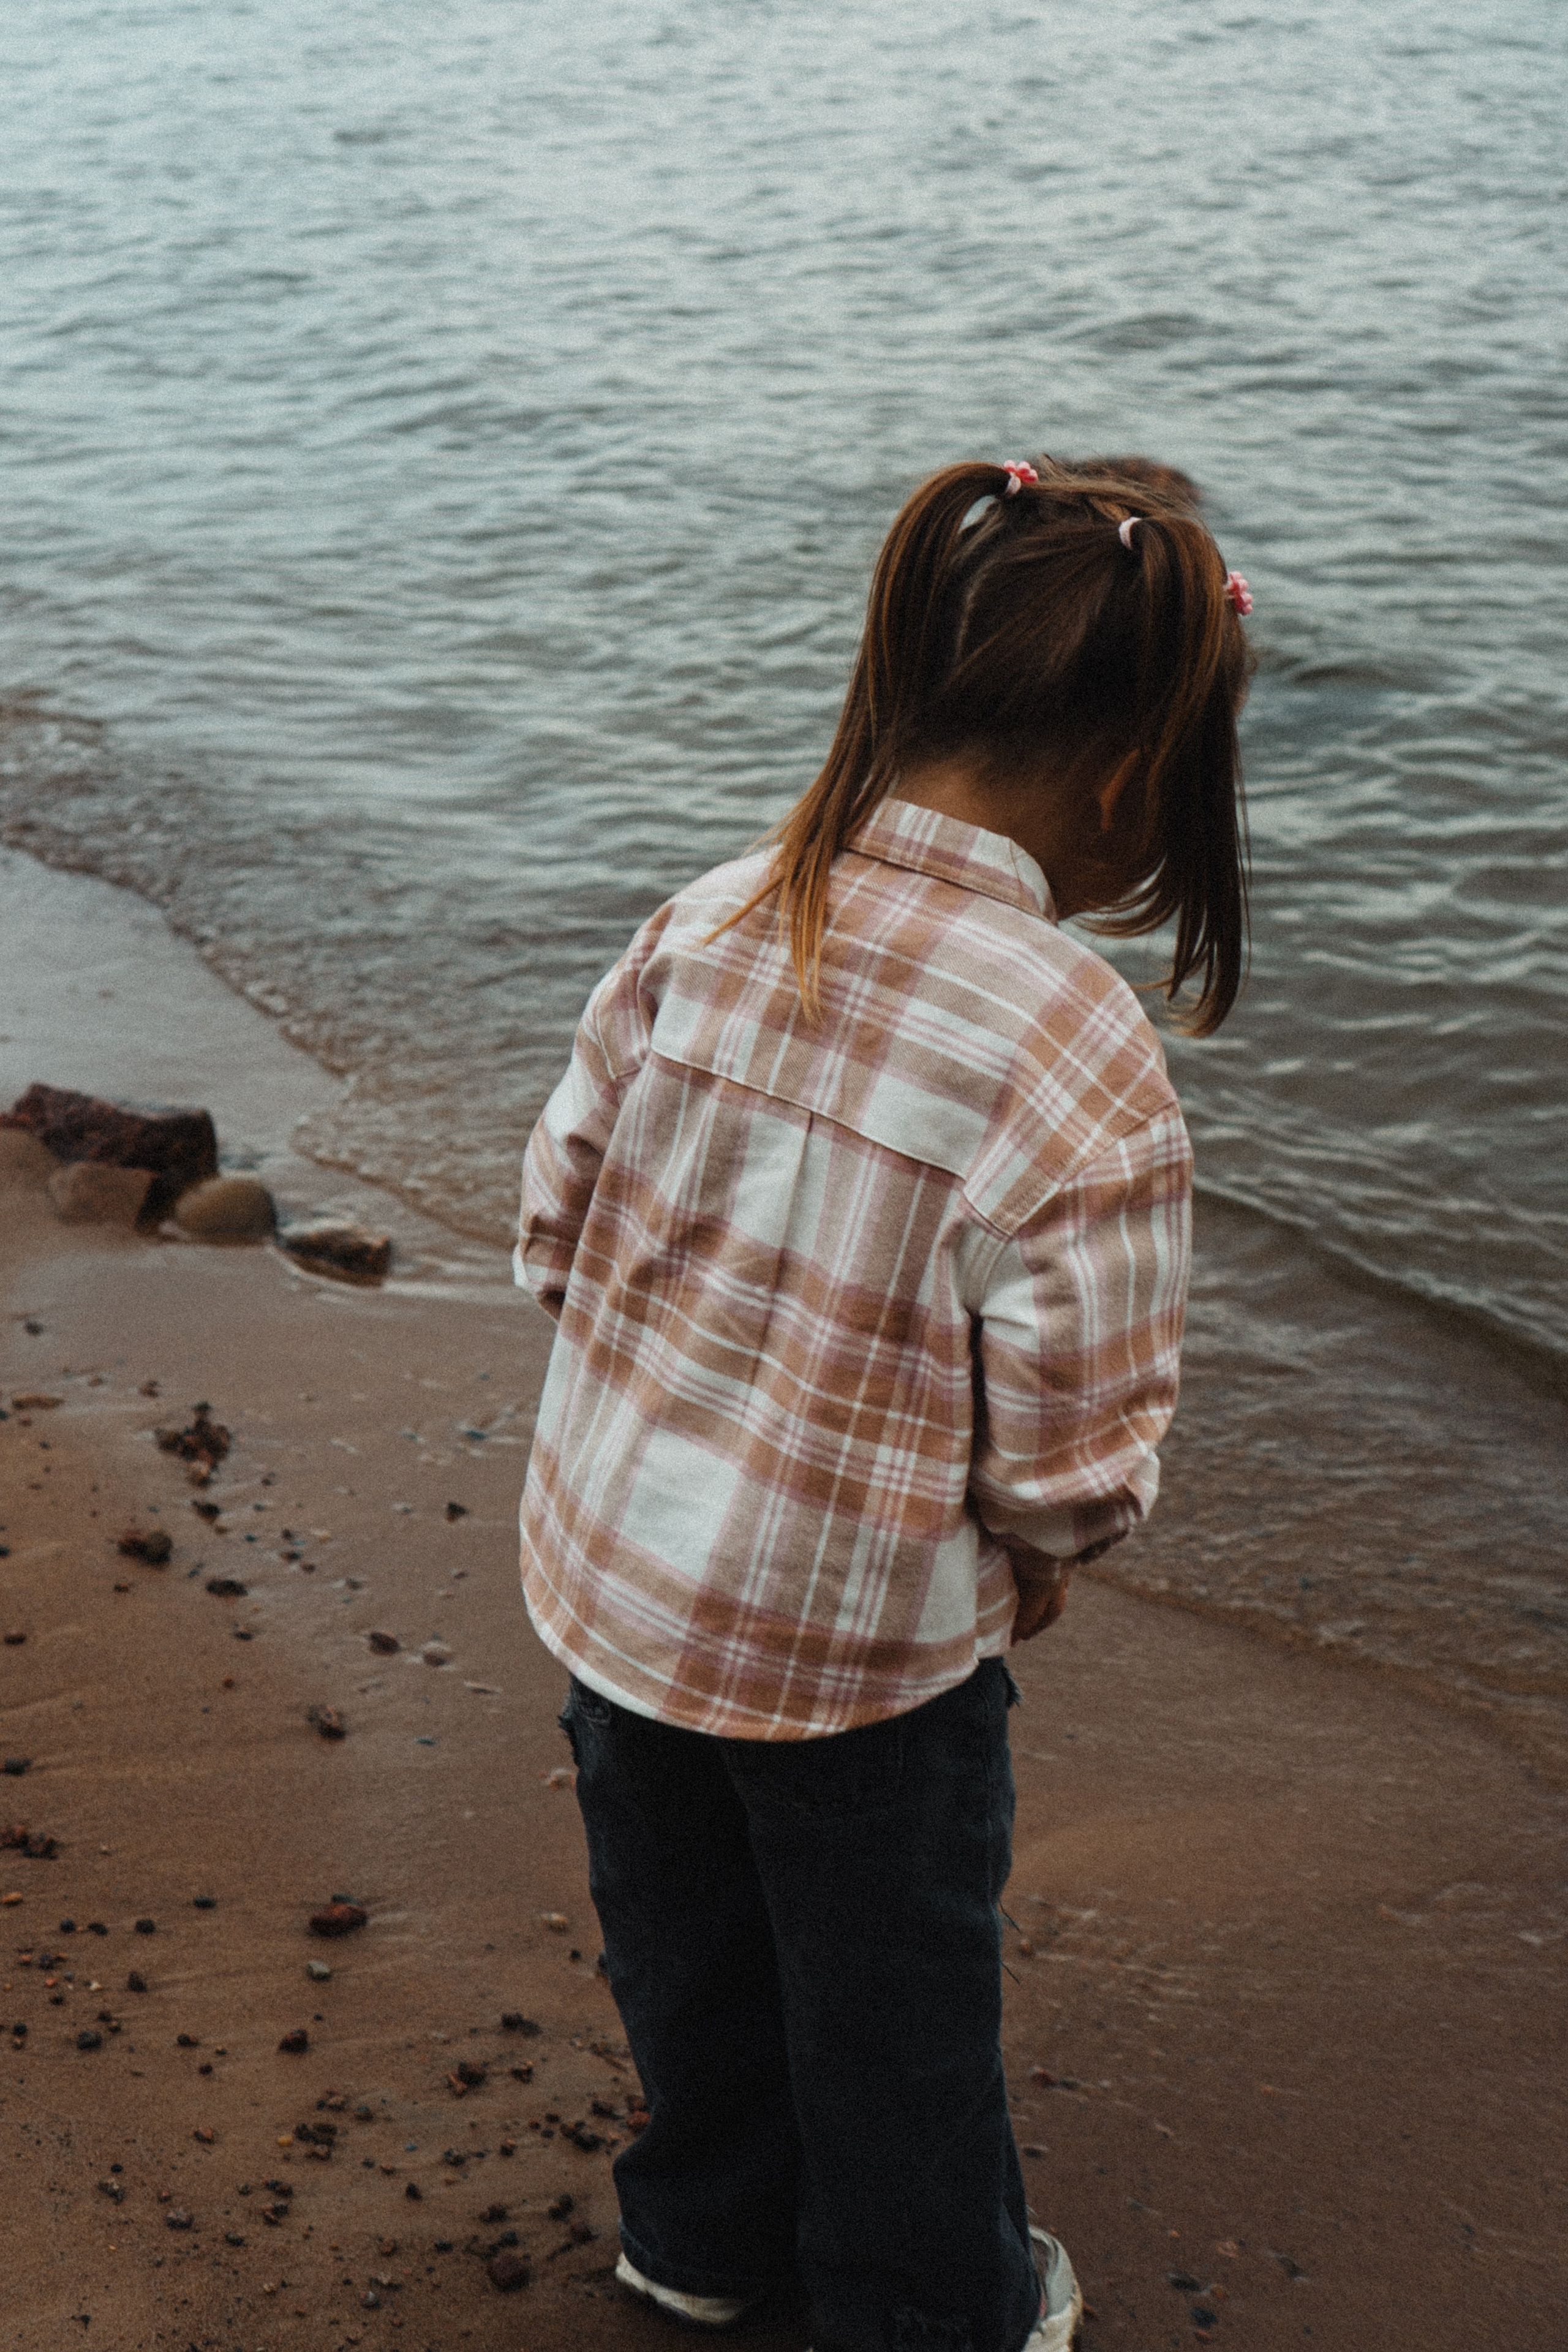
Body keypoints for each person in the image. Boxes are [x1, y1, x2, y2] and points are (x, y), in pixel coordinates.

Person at [514, 453, 1253, 2352]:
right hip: (859, 1659)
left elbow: (553, 1228)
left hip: (615, 1589)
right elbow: (1073, 1451)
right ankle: (929, 2310)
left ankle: (700, 2239)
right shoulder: (1073, 1042)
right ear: (1129, 782)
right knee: (892, 2007)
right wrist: (1045, 1550)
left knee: (685, 1949)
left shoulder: (712, 915)